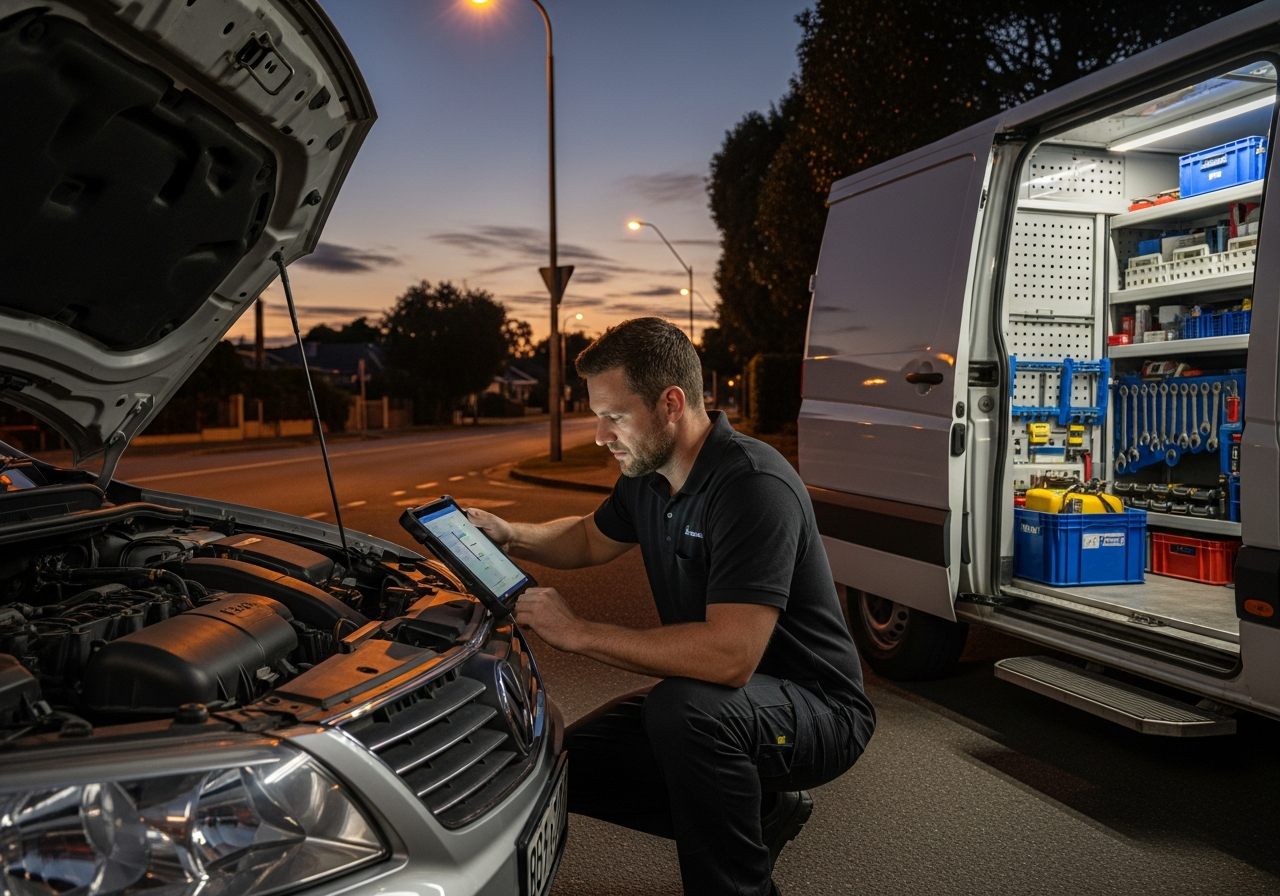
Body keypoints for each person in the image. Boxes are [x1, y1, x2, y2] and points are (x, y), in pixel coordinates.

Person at [467, 317, 875, 895]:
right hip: (727, 700)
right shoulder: (648, 474)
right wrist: (512, 533)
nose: (602, 435)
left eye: (614, 417)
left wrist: (579, 631)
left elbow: (730, 656)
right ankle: (755, 813)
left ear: (671, 404)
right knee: (558, 764)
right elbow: (587, 537)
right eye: (596, 418)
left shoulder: (752, 486)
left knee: (684, 712)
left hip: (817, 707)